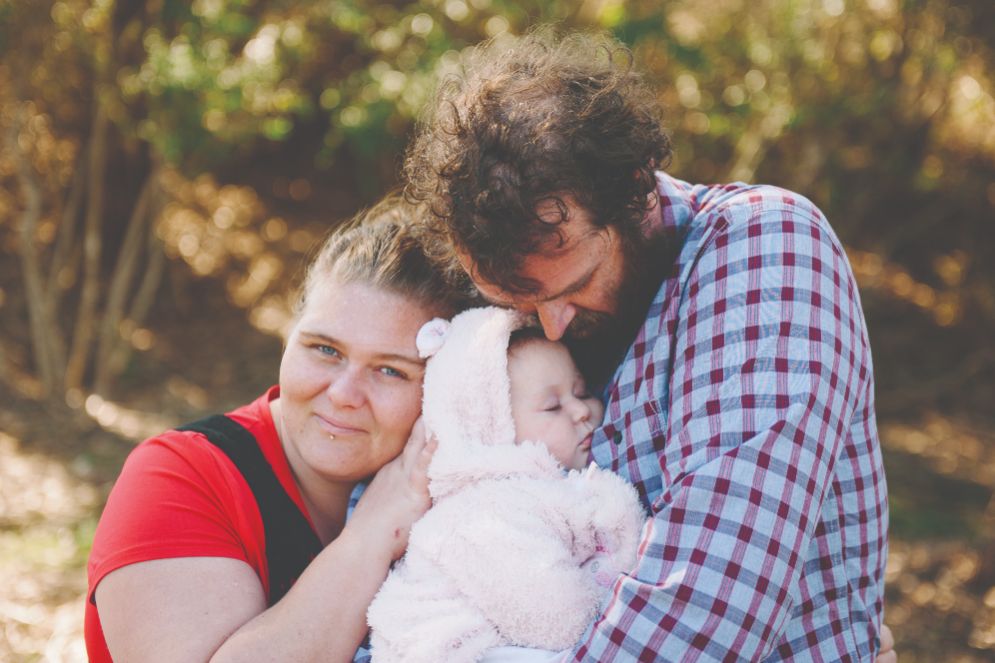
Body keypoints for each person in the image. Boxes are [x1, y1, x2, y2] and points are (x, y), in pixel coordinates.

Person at [404, 29, 891, 661]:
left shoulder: (764, 251)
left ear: (636, 189)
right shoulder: (507, 315)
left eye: (576, 285)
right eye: (522, 305)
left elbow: (702, 614)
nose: (552, 329)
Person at [85, 197, 473, 662]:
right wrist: (373, 532)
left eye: (390, 371)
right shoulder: (182, 476)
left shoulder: (472, 496)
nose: (344, 393)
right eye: (325, 350)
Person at [367, 307, 646, 662]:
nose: (582, 411)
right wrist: (613, 601)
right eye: (552, 407)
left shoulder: (543, 493)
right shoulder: (479, 515)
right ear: (492, 432)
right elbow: (552, 616)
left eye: (581, 390)